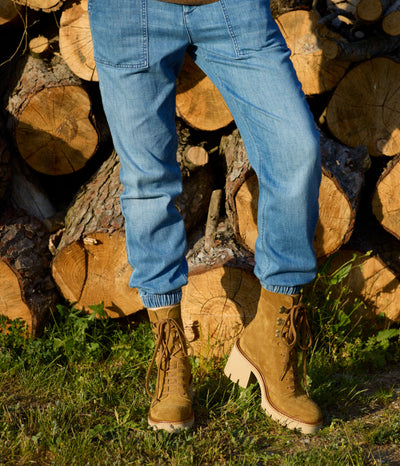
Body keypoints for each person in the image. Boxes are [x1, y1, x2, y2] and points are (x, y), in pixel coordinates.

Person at [88, 0, 323, 434]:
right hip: (128, 12)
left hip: (230, 7)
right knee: (147, 180)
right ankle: (170, 352)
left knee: (296, 149)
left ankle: (272, 337)